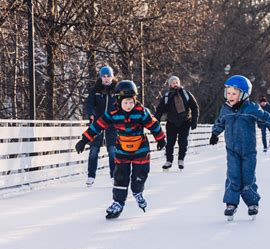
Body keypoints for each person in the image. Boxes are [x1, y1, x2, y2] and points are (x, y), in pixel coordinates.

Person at [209, 75, 270, 220]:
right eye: (229, 93)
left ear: (243, 94)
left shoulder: (251, 108)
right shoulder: (225, 109)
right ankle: (231, 203)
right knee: (233, 176)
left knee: (248, 177)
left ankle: (252, 203)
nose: (230, 96)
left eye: (234, 93)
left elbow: (268, 119)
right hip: (231, 150)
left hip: (248, 151)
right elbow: (220, 121)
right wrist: (214, 133)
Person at [75, 80, 166, 219]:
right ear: (118, 100)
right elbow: (97, 126)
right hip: (122, 150)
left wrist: (160, 138)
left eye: (131, 102)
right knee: (120, 177)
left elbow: (154, 125)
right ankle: (118, 202)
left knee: (139, 176)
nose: (129, 105)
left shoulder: (141, 112)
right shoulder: (112, 113)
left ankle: (137, 192)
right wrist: (84, 140)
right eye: (125, 102)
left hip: (140, 150)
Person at [155, 75, 199, 171]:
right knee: (170, 143)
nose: (175, 84)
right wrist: (156, 120)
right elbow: (160, 109)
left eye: (176, 83)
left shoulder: (186, 94)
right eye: (173, 83)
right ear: (170, 84)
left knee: (183, 142)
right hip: (171, 123)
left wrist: (194, 120)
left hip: (185, 122)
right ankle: (169, 161)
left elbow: (194, 106)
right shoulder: (167, 96)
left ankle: (181, 159)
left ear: (179, 83)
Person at [84, 65, 118, 186]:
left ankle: (114, 175)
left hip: (112, 125)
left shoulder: (117, 90)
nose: (106, 78)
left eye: (108, 76)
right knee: (93, 150)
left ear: (112, 77)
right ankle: (91, 176)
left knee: (112, 150)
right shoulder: (96, 90)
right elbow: (89, 104)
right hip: (97, 124)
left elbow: (122, 104)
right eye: (103, 76)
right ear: (101, 77)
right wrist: (91, 114)